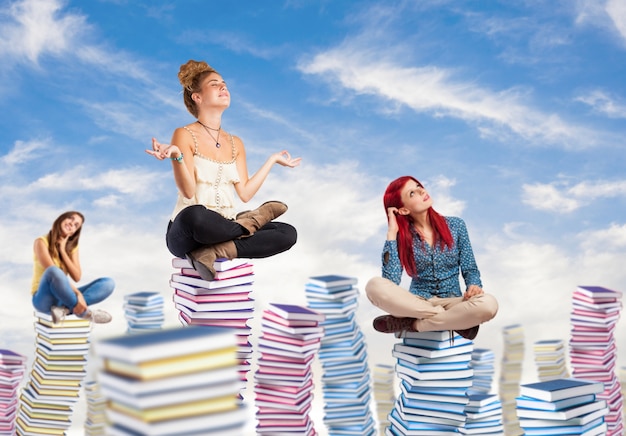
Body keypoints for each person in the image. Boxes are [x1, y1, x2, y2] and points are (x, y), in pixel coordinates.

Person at [146, 60, 300, 281]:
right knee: (195, 215)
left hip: (224, 227)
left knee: (287, 233)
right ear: (197, 97)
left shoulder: (236, 143)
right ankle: (249, 223)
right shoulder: (184, 134)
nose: (223, 87)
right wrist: (176, 156)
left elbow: (245, 193)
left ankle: (214, 251)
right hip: (190, 231)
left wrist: (272, 161)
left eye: (224, 84)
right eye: (214, 84)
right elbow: (189, 192)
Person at [365, 176, 498, 340]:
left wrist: (474, 285)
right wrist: (392, 233)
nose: (421, 190)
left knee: (489, 304)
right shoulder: (401, 237)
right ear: (404, 210)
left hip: (454, 300)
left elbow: (469, 267)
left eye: (418, 186)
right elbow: (390, 281)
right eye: (412, 193)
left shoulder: (456, 225)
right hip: (417, 302)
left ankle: (413, 324)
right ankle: (452, 320)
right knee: (373, 286)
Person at [32, 211, 114, 324]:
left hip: (63, 298)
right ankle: (84, 313)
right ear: (61, 219)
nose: (72, 224)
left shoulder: (72, 248)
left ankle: (64, 310)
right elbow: (53, 273)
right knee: (54, 271)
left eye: (76, 225)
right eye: (70, 219)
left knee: (108, 283)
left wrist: (62, 250)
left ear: (74, 232)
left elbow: (77, 276)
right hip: (43, 299)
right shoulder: (41, 242)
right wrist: (78, 294)